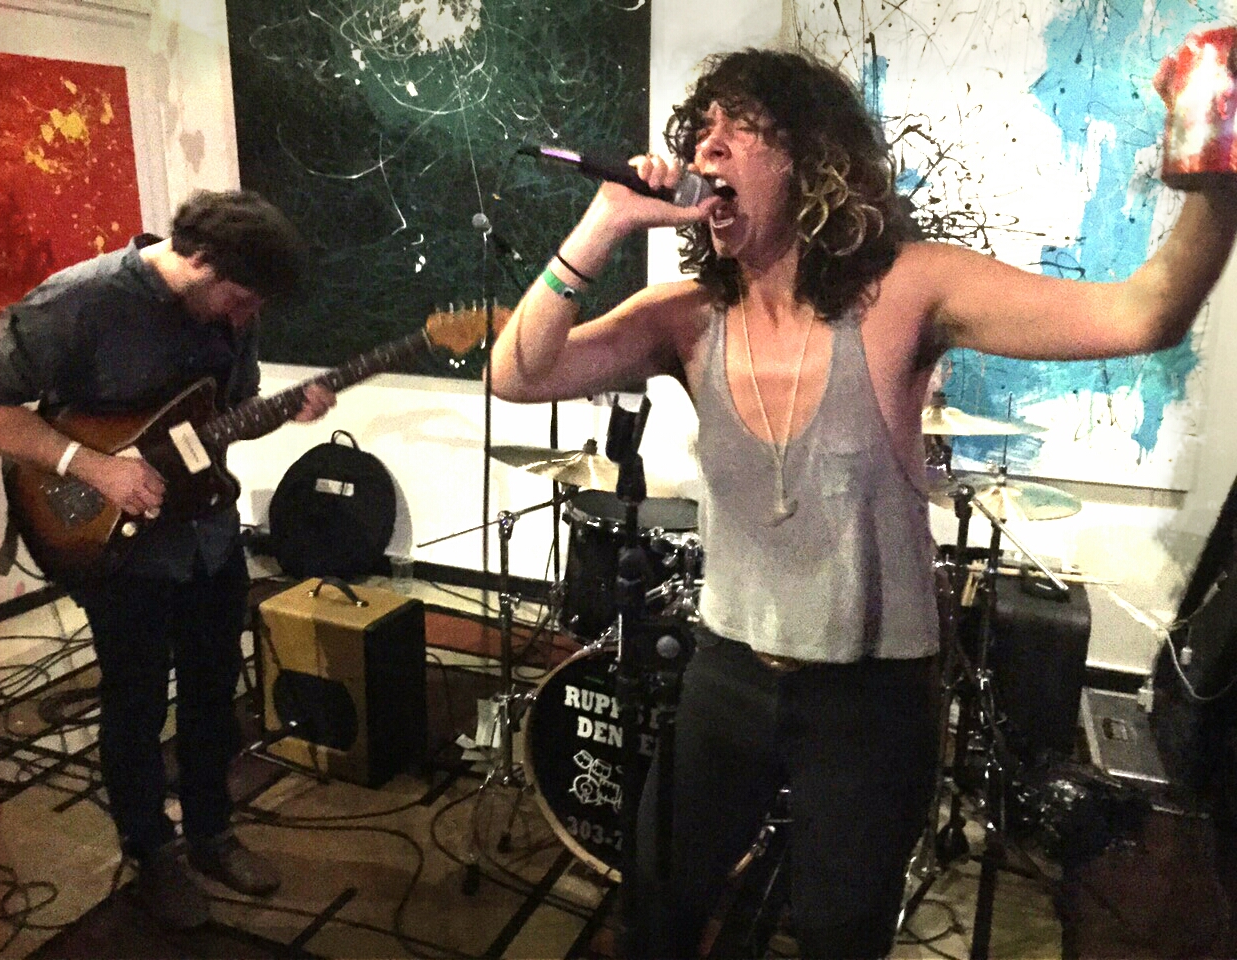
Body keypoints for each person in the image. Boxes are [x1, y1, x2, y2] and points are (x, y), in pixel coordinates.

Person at [489, 48, 1237, 959]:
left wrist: (1216, 165)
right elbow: (516, 375)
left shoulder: (907, 290)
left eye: (737, 128)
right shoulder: (685, 317)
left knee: (841, 936)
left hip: (870, 695)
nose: (705, 147)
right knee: (659, 907)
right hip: (727, 671)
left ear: (811, 159)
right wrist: (605, 219)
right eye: (700, 132)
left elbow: (1143, 313)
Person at [0, 189, 336, 931]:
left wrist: (282, 413)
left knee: (212, 692)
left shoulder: (233, 311)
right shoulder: (80, 301)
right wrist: (93, 467)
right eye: (242, 300)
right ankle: (151, 851)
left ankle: (211, 831)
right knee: (135, 704)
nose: (247, 317)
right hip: (114, 550)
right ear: (201, 262)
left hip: (208, 536)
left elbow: (218, 424)